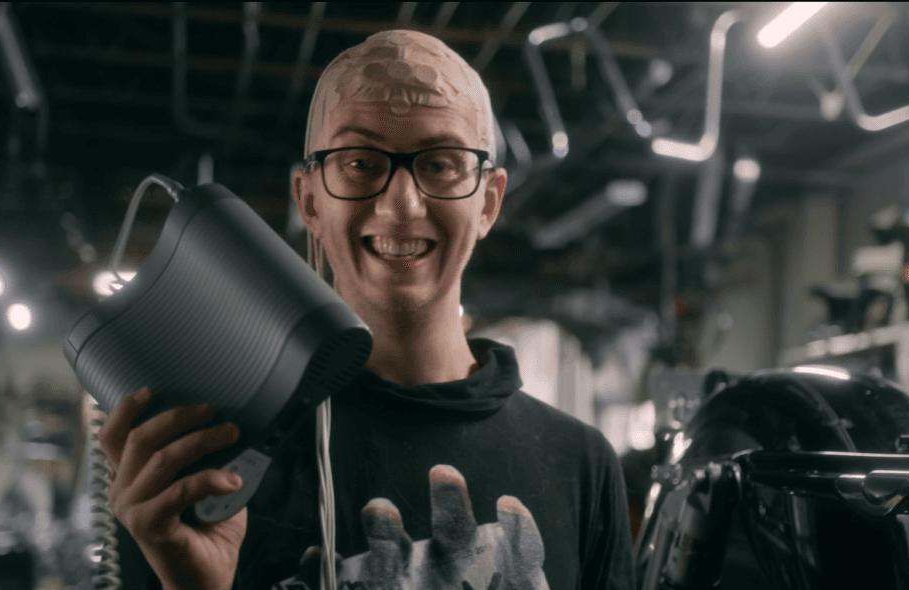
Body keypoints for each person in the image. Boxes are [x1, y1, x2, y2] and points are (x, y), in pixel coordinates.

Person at [98, 30, 635, 590]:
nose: (401, 203)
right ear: (308, 200)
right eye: (359, 162)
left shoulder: (580, 462)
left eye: (441, 164)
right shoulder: (214, 451)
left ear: (488, 202)